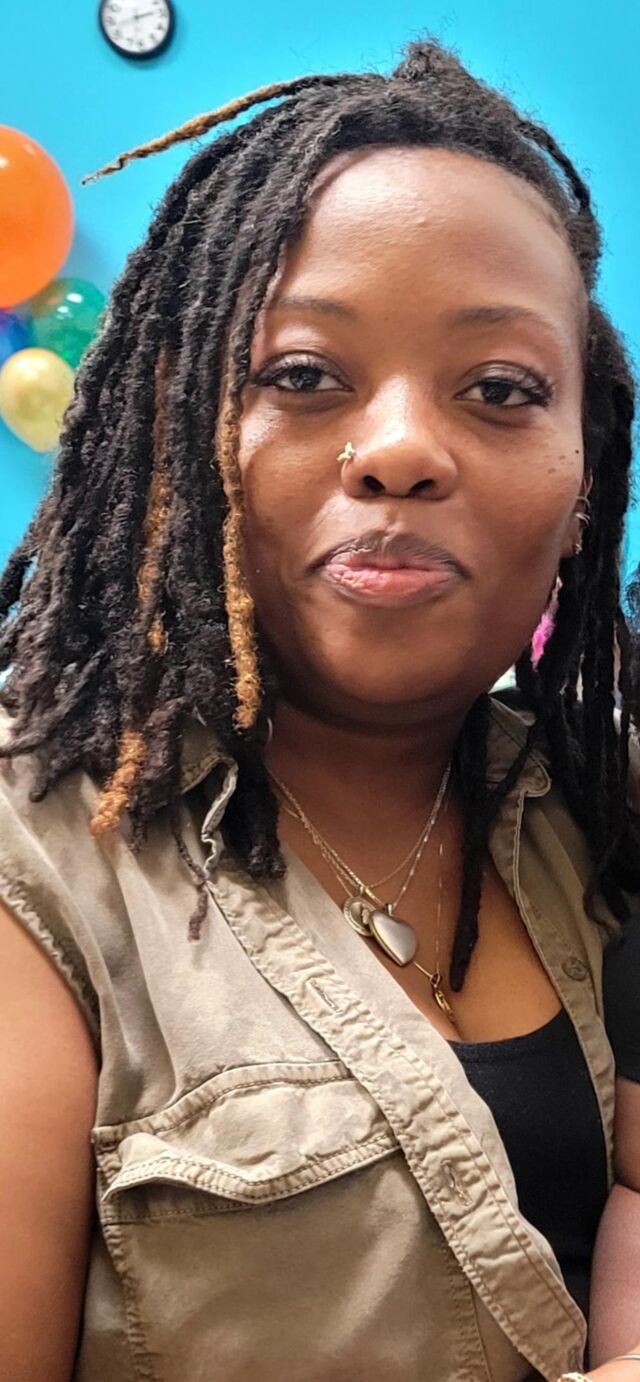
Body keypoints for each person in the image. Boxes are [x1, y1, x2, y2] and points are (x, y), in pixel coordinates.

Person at [1, 36, 639, 1382]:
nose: (400, 449)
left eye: (502, 389)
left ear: (586, 480)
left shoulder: (610, 812)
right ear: (177, 431)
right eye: (301, 374)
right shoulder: (35, 866)